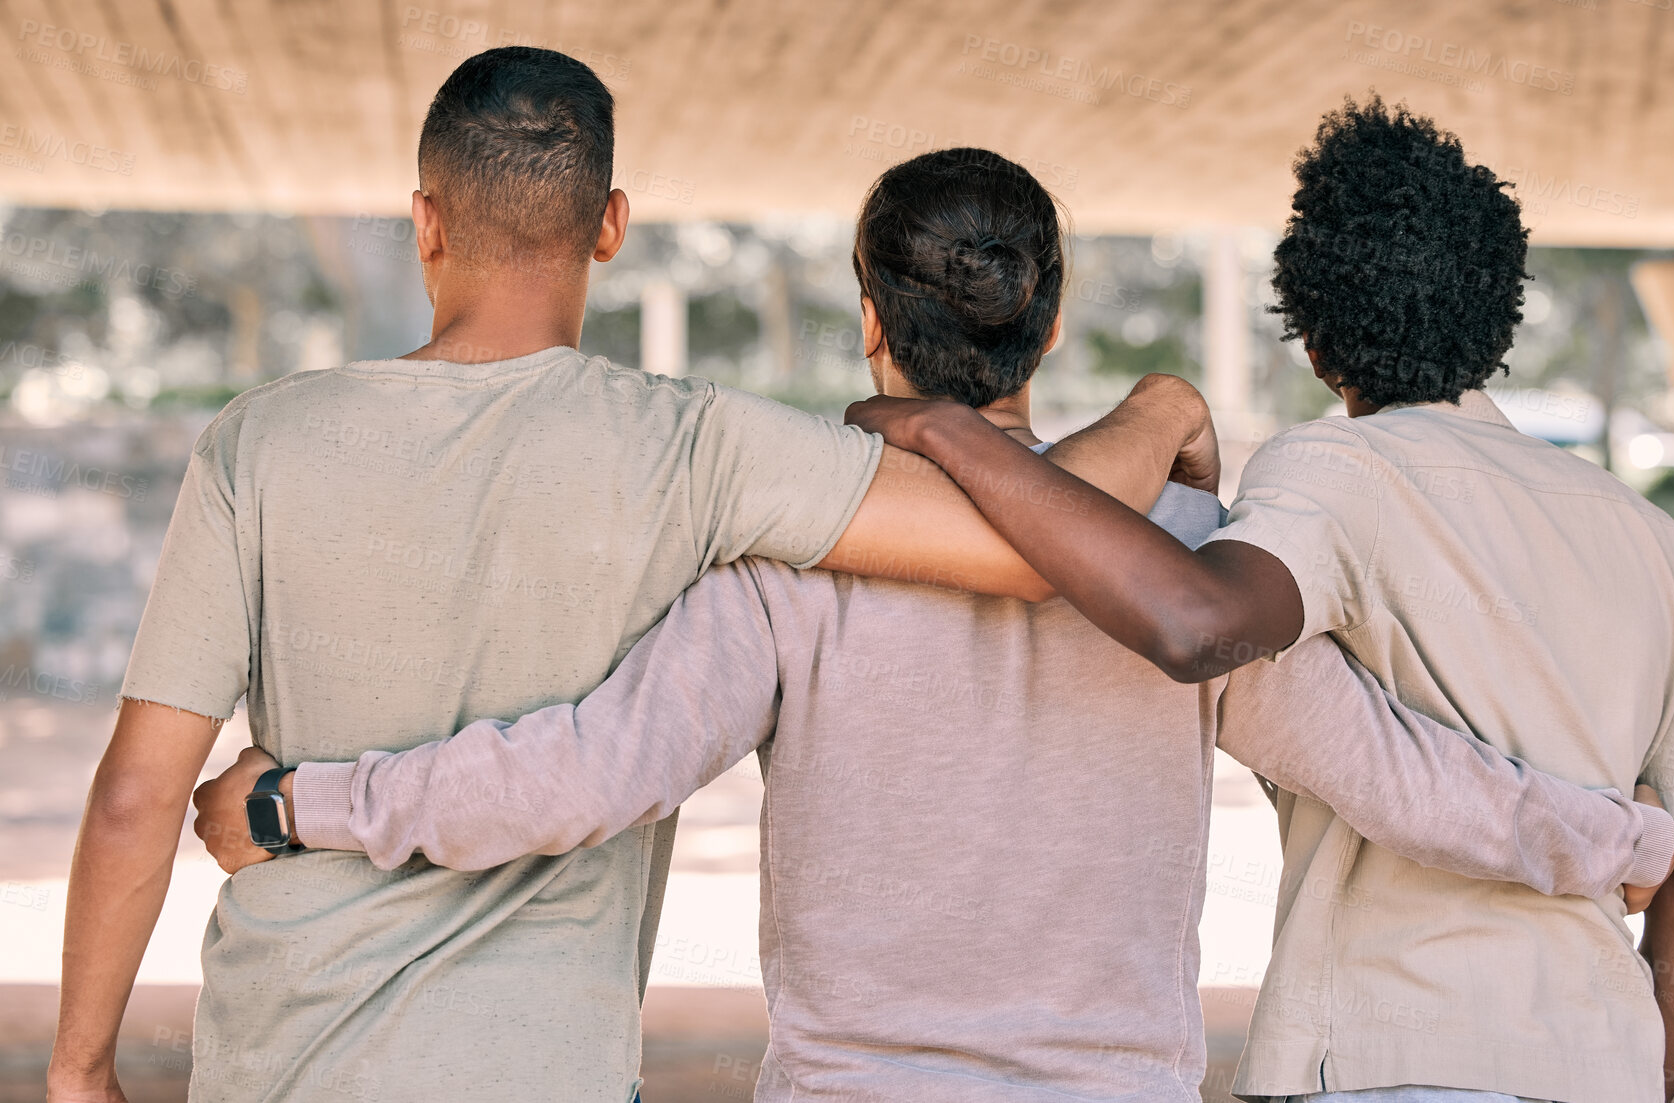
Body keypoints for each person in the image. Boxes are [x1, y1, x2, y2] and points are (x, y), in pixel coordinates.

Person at [194, 148, 1674, 1102]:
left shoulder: (795, 569)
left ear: (869, 317)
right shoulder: (1182, 558)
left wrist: (300, 798)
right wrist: (1627, 843)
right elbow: (1408, 777)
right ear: (1050, 320)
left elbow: (583, 773)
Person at [46, 52, 1216, 1103]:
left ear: (422, 221)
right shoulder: (698, 449)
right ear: (610, 227)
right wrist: (1164, 412)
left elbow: (137, 794)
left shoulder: (259, 442)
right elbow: (1031, 549)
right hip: (546, 1064)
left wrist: (84, 1062)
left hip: (281, 1053)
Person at [846, 99, 1674, 1103]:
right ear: (1499, 316)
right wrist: (1633, 1075)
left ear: (1314, 344)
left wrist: (956, 435)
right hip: (1601, 1067)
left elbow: (1195, 623)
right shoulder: (1648, 537)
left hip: (1384, 1060)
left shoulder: (1334, 470)